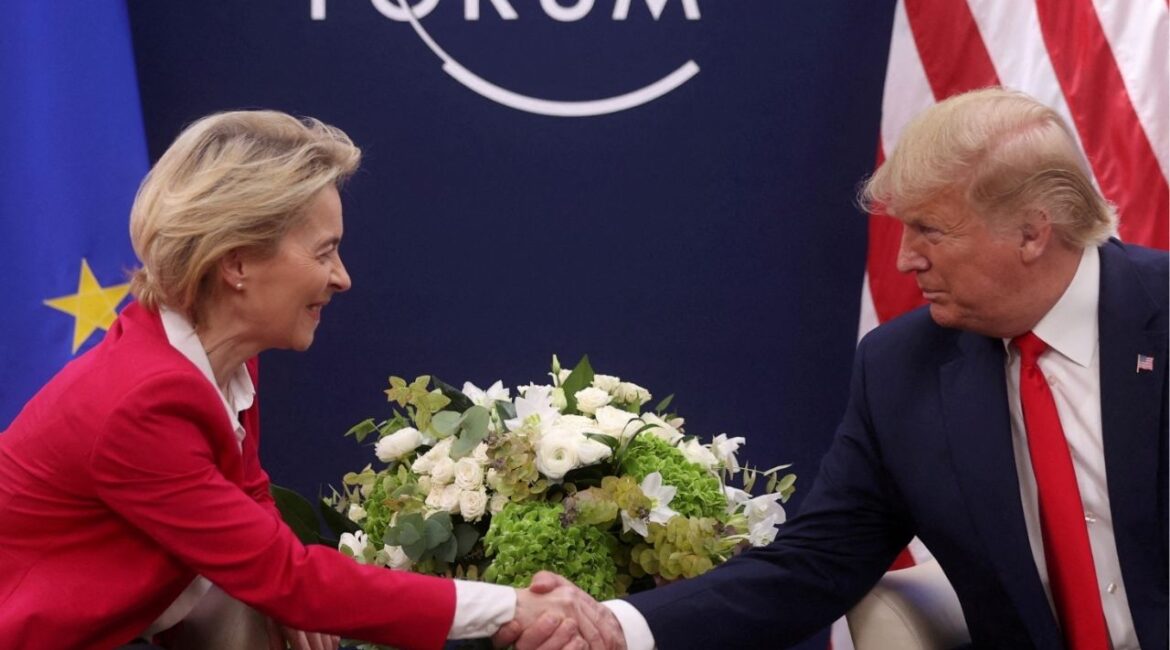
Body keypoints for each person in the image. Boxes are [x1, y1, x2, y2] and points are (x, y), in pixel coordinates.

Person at [494, 87, 1168, 649]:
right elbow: (814, 564)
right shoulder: (904, 367)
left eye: (931, 231)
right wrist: (619, 626)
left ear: (1032, 231)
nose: (905, 261)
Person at [0, 110, 601, 650]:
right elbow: (286, 575)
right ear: (237, 263)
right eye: (324, 252)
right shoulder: (144, 402)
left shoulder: (210, 351)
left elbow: (246, 498)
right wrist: (509, 606)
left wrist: (274, 590)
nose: (342, 278)